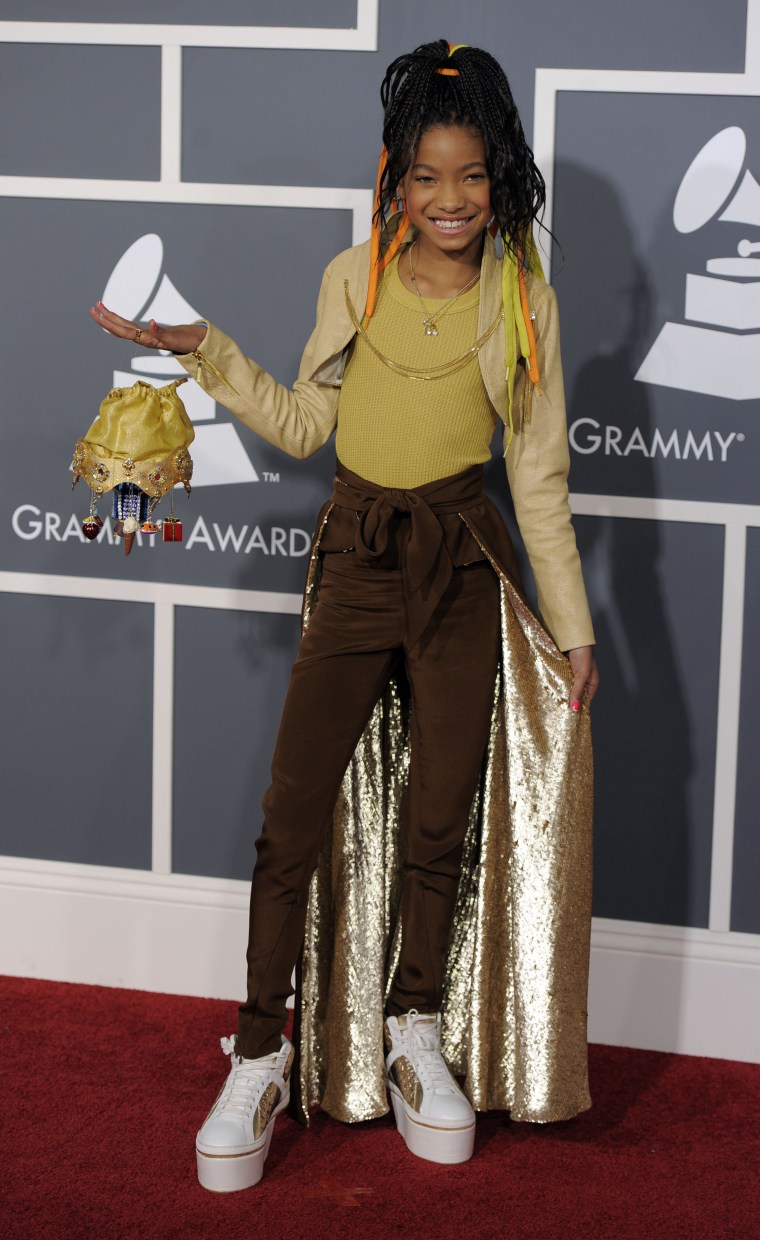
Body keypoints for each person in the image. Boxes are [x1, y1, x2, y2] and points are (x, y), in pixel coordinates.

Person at [91, 39, 599, 1192]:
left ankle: (414, 1026)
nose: (450, 198)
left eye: (471, 174)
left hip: (466, 561)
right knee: (291, 813)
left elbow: (538, 477)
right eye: (426, 175)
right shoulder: (352, 277)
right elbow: (307, 426)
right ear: (393, 180)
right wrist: (202, 350)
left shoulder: (526, 300)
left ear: (502, 175)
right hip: (360, 555)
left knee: (439, 817)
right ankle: (261, 1050)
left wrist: (572, 627)